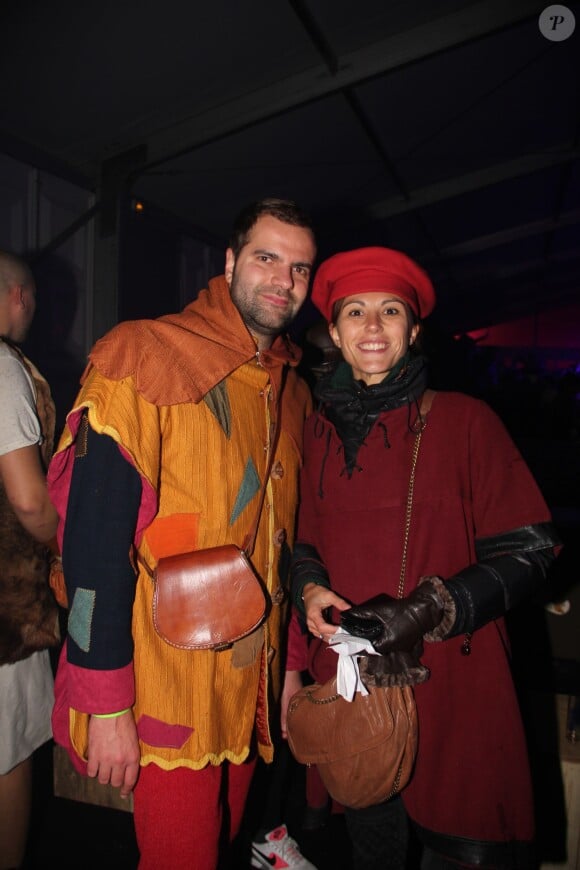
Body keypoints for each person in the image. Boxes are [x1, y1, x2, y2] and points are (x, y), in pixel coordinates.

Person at [47, 198, 319, 870]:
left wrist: (287, 670)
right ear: (229, 263)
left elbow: (283, 541)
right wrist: (106, 702)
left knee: (222, 839)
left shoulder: (290, 389)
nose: (283, 280)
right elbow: (93, 539)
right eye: (266, 258)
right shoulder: (143, 353)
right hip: (164, 682)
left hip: (247, 682)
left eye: (300, 268)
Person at [289, 246, 560, 869]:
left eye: (391, 312)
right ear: (334, 330)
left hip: (454, 680)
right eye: (355, 312)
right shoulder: (318, 433)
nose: (374, 328)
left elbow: (532, 548)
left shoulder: (467, 422)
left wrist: (435, 606)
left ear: (413, 329)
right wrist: (308, 590)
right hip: (355, 687)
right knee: (372, 847)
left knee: (457, 845)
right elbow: (303, 539)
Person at [0, 251, 59, 869]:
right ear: (19, 296)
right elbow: (29, 501)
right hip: (4, 613)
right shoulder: (0, 366)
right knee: (8, 755)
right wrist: (73, 550)